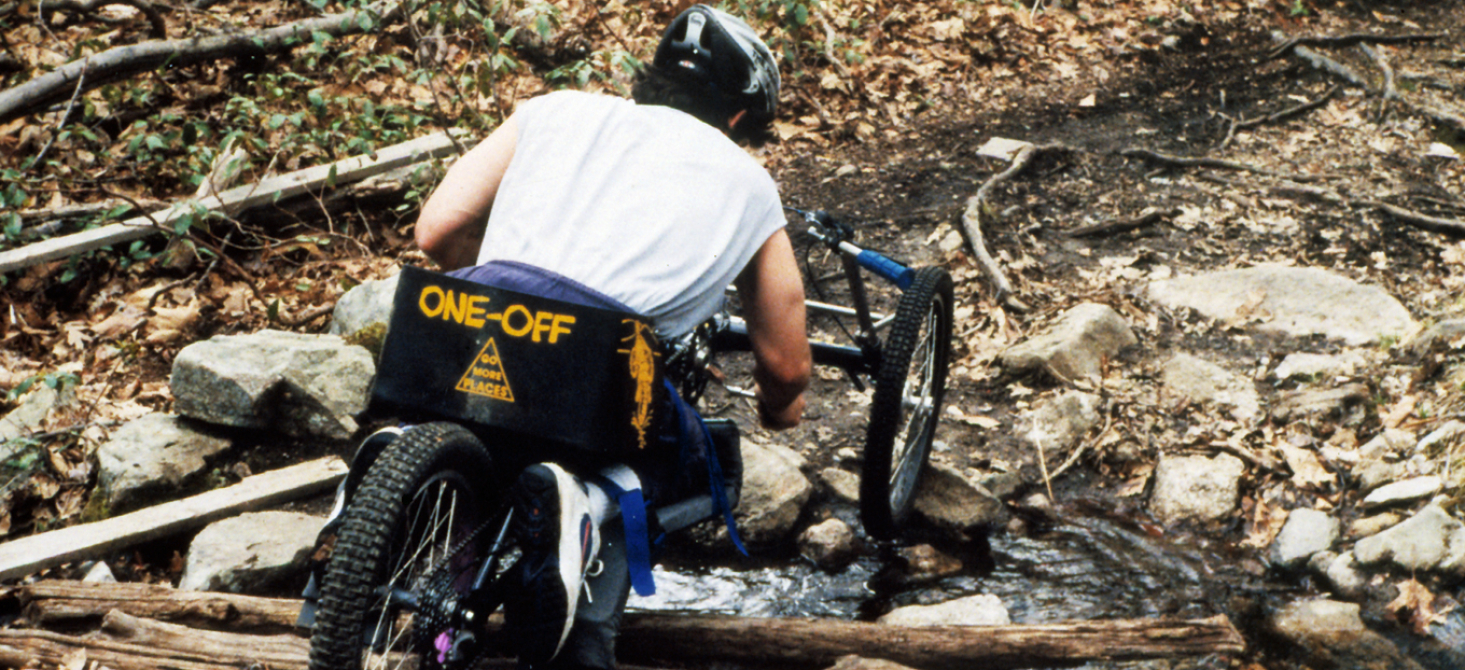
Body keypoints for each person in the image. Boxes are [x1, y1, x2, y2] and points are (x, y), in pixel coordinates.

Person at [412, 5, 811, 670]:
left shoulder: (553, 109)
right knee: (696, 460)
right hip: (601, 364)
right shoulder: (749, 184)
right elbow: (786, 365)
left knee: (482, 440)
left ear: (651, 79)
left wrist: (511, 302)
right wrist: (780, 409)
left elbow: (436, 232)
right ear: (740, 117)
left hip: (468, 321)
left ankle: (411, 544)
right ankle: (587, 515)